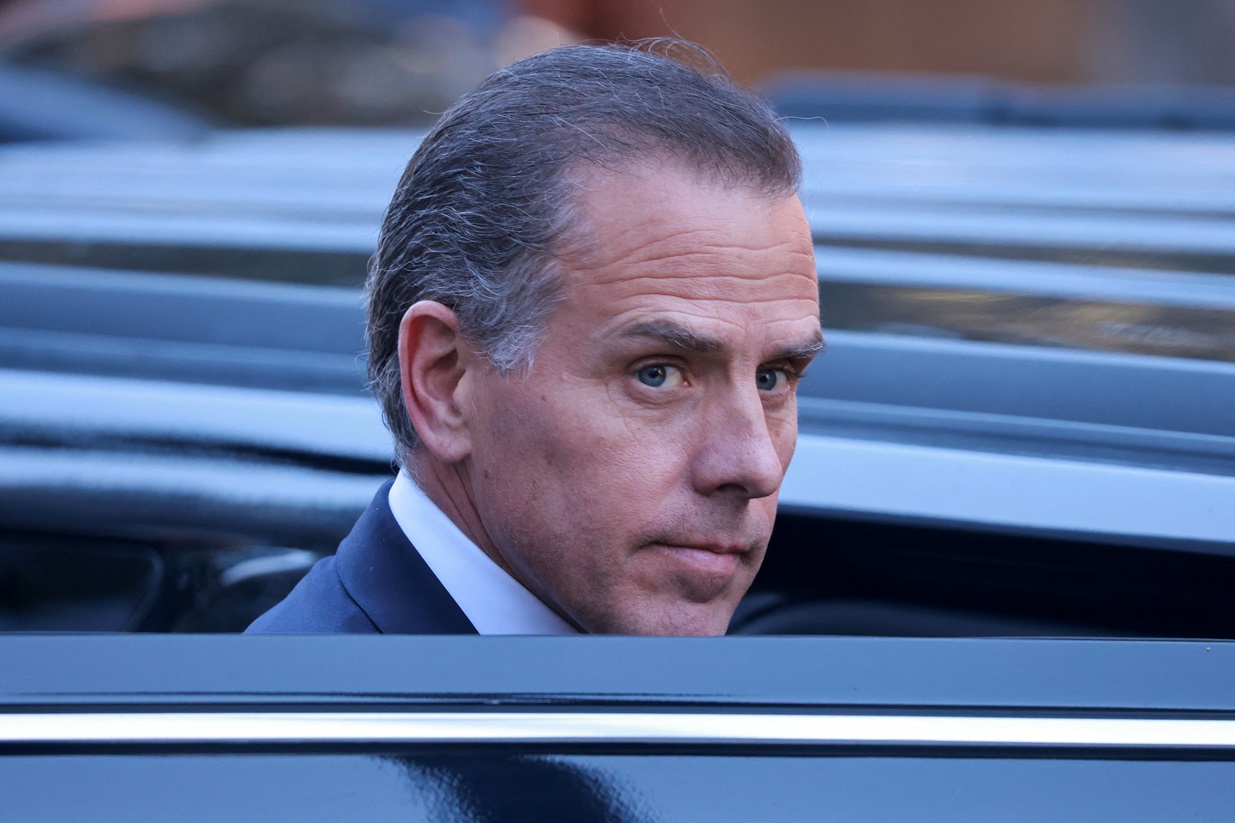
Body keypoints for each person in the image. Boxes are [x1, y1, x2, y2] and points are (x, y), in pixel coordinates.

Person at [247, 41, 823, 636]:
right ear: (445, 382)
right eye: (658, 372)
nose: (755, 466)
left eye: (772, 378)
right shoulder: (298, 725)